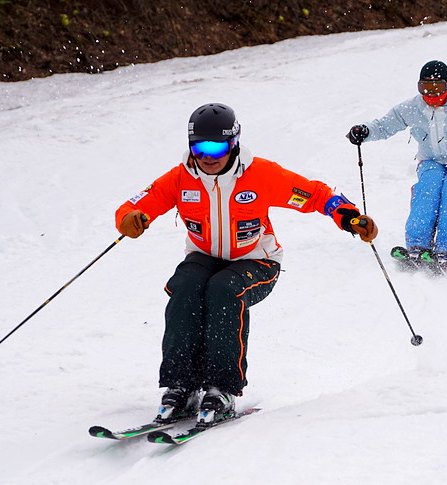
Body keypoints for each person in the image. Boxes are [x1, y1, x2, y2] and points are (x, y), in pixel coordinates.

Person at [116, 103, 378, 425]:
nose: (208, 156)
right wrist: (130, 219)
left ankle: (222, 390)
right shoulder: (181, 178)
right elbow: (135, 206)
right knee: (185, 287)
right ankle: (182, 386)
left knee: (223, 290)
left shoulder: (261, 175)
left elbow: (313, 194)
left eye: (217, 147)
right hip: (204, 257)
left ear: (234, 143)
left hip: (257, 261)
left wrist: (348, 216)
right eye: (199, 147)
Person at [347, 60, 447, 272]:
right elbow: (385, 125)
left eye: (437, 88)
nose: (431, 95)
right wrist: (365, 131)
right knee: (427, 189)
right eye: (425, 88)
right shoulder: (412, 107)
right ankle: (417, 245)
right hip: (431, 161)